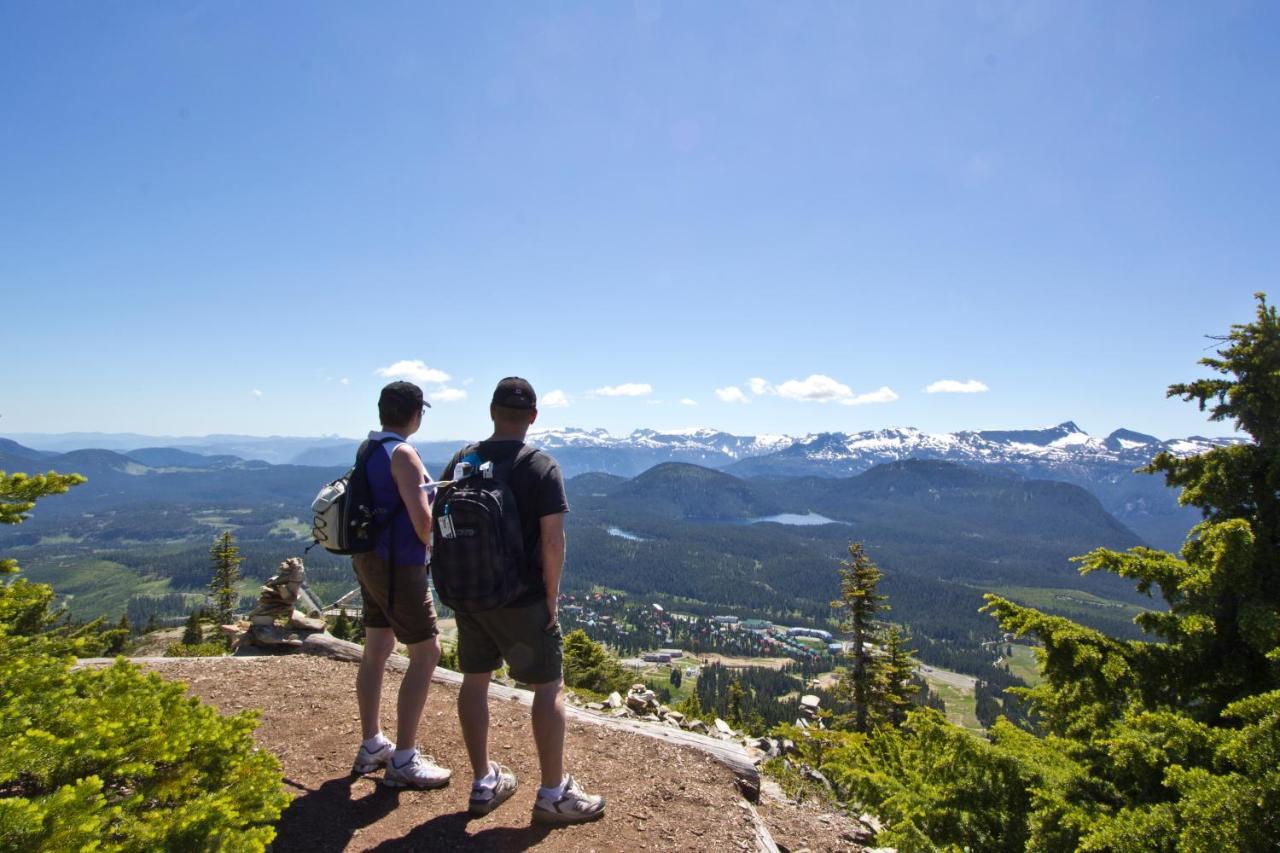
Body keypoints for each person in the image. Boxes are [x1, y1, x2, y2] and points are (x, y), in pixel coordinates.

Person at [440, 377, 605, 824]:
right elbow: (553, 542)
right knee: (548, 687)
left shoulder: (463, 460)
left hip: (469, 595)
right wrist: (551, 600)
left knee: (475, 681)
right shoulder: (539, 466)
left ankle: (483, 780)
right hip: (521, 597)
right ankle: (553, 793)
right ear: (533, 417)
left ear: (492, 411)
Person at [349, 381, 452, 789]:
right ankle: (404, 758)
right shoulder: (403, 454)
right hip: (400, 565)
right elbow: (423, 525)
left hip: (370, 560)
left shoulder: (370, 448)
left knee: (377, 647)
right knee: (427, 652)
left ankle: (373, 742)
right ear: (416, 414)